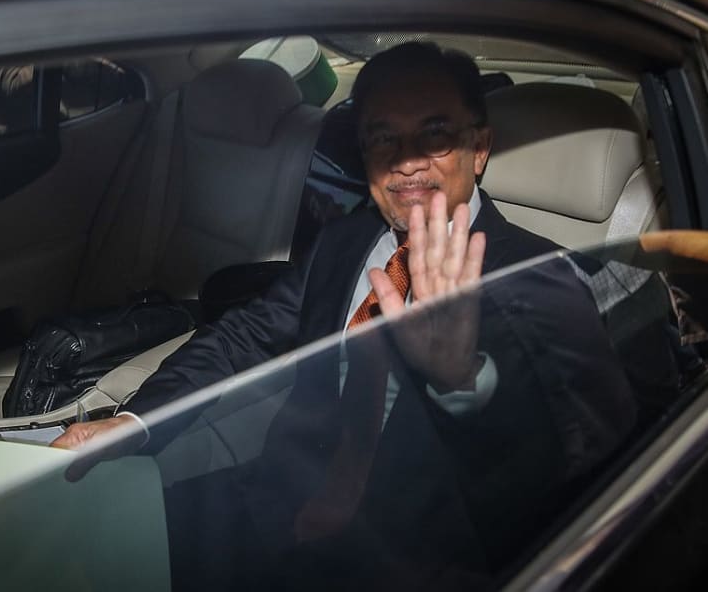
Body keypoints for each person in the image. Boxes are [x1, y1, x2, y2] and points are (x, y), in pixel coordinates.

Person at [52, 43, 636, 589]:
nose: (407, 165)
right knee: (73, 541)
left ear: (478, 148)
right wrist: (133, 424)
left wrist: (460, 379)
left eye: (434, 136)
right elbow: (244, 336)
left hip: (420, 555)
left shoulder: (542, 274)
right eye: (385, 140)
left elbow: (582, 462)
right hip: (274, 498)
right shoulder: (344, 240)